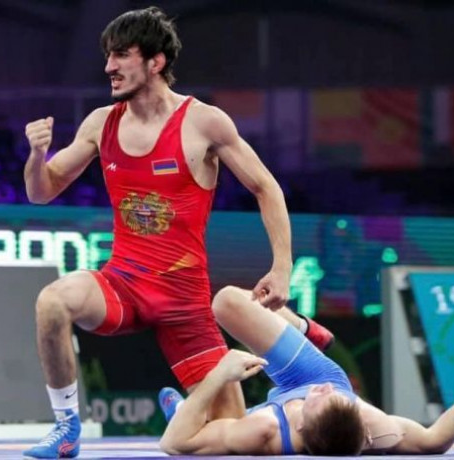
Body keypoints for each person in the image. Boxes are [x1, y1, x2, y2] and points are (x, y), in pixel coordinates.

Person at [21, 7, 333, 458]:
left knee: (232, 441)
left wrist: (282, 267)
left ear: (156, 62)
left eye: (121, 55)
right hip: (123, 285)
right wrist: (37, 157)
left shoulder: (204, 122)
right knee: (52, 302)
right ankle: (67, 427)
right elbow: (41, 191)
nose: (108, 67)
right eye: (108, 56)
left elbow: (266, 188)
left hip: (185, 302)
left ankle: (188, 413)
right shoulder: (100, 123)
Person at [158, 286, 454, 456]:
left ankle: (186, 413)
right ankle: (303, 327)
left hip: (261, 416)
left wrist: (221, 373)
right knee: (227, 303)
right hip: (311, 373)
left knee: (214, 425)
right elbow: (436, 441)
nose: (327, 392)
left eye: (321, 399)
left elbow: (173, 445)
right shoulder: (373, 427)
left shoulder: (264, 432)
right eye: (340, 398)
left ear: (301, 424)